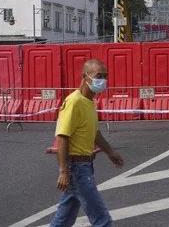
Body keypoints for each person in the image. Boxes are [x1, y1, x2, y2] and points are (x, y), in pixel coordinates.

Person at [50, 59, 124, 227]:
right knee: (101, 219)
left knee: (65, 217)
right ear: (85, 77)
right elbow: (62, 136)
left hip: (85, 165)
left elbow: (94, 133)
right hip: (77, 168)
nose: (103, 80)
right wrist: (63, 171)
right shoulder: (74, 102)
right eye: (99, 76)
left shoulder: (90, 102)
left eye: (105, 76)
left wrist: (110, 152)